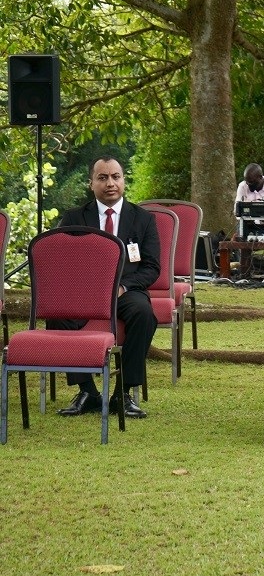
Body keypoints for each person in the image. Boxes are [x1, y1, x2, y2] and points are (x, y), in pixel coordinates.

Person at [53, 156, 158, 419]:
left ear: (123, 180)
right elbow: (60, 262)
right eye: (102, 178)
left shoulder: (143, 219)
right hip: (84, 294)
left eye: (115, 177)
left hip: (125, 291)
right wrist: (83, 289)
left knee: (144, 314)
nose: (110, 183)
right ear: (91, 184)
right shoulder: (74, 217)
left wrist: (123, 287)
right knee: (57, 315)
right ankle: (87, 391)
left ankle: (122, 394)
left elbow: (151, 267)